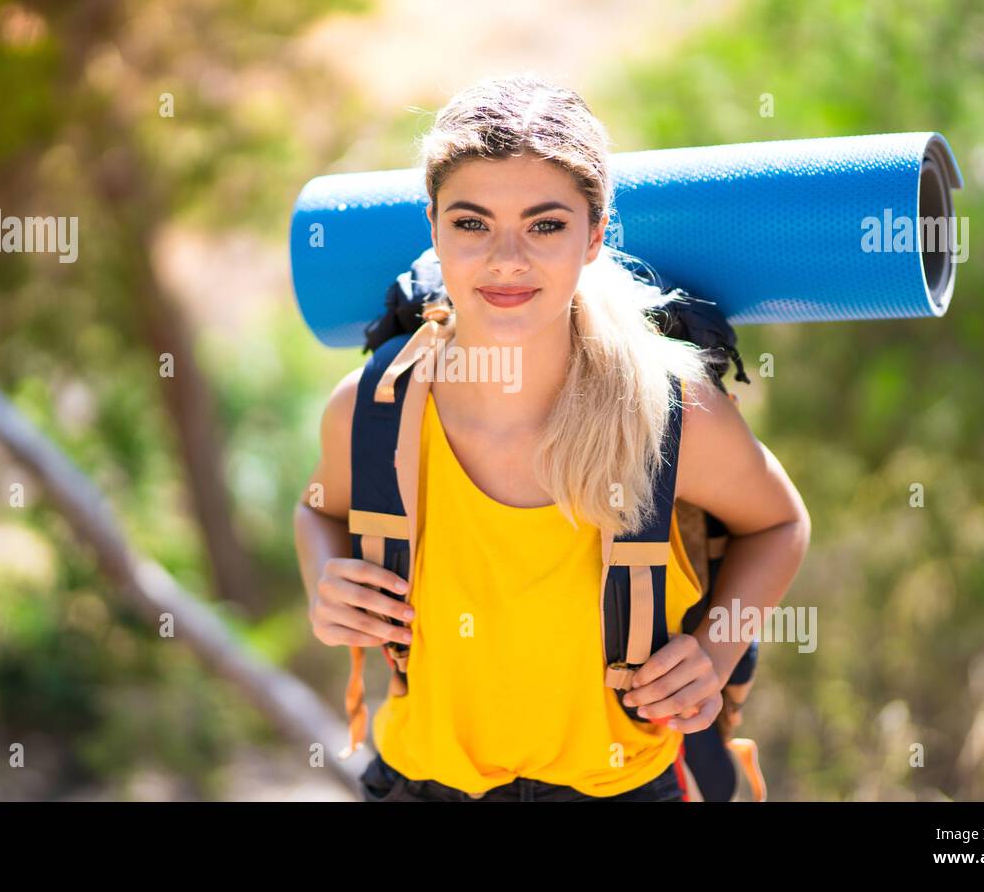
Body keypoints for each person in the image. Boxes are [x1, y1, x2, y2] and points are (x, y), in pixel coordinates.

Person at [294, 74, 811, 801]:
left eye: (546, 224)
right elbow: (316, 507)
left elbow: (781, 522)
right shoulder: (375, 409)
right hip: (417, 782)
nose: (507, 258)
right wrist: (323, 575)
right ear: (434, 227)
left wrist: (715, 649)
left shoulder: (666, 409)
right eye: (471, 223)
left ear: (595, 235)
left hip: (621, 787)